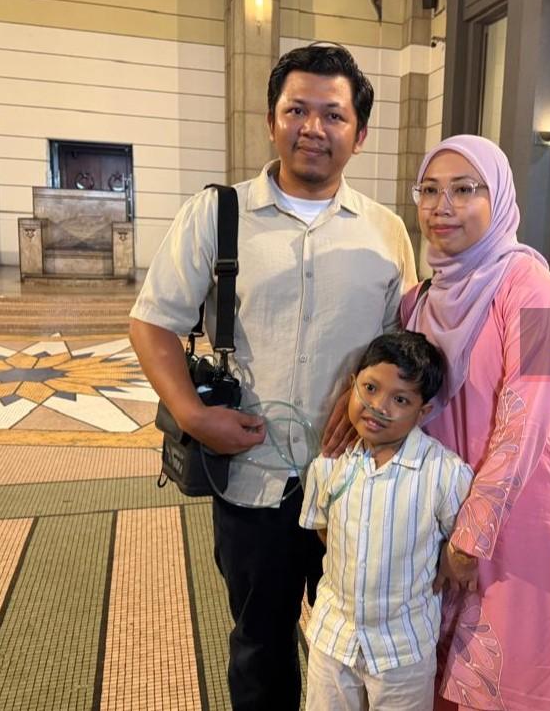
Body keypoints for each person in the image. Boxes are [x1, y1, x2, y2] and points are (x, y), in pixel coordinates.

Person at [129, 44, 416, 711]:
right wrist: (194, 416)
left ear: (360, 134)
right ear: (271, 120)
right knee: (260, 645)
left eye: (333, 115)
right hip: (254, 479)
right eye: (297, 110)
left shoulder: (386, 232)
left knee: (358, 644)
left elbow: (402, 349)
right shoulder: (217, 213)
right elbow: (152, 322)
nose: (313, 128)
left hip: (355, 484)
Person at [402, 135, 550, 710]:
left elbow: (527, 423)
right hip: (441, 507)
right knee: (436, 669)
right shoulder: (418, 300)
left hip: (514, 512)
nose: (441, 206)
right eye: (429, 190)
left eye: (463, 189)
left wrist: (471, 535)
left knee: (504, 669)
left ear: (497, 197)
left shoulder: (537, 291)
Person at [300, 331, 474, 711]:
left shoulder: (443, 472)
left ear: (423, 411)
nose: (378, 406)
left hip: (403, 647)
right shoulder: (328, 464)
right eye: (370, 388)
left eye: (400, 399)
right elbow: (325, 530)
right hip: (334, 639)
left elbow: (462, 539)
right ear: (352, 385)